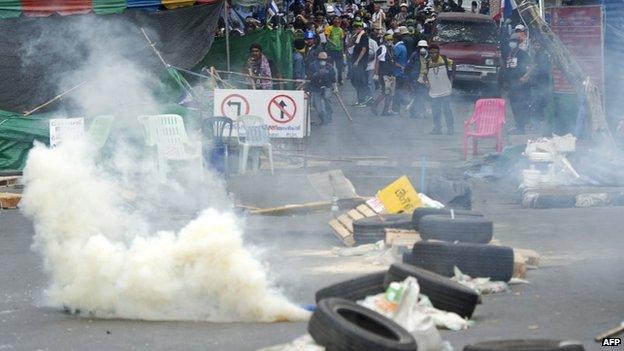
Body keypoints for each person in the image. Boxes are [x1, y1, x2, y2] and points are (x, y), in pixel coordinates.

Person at [421, 44, 454, 134]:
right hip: (434, 91)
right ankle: (437, 128)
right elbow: (424, 75)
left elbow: (453, 66)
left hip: (446, 90)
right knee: (436, 111)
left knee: (446, 109)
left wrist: (451, 81)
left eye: (435, 52)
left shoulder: (445, 60)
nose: (433, 54)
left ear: (438, 52)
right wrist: (426, 83)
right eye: (431, 53)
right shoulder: (427, 62)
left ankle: (450, 128)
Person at [503, 33, 531, 134]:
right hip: (511, 84)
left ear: (518, 43)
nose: (512, 43)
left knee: (520, 106)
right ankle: (518, 125)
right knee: (513, 105)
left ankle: (521, 127)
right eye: (511, 41)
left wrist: (525, 76)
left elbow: (530, 66)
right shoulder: (509, 53)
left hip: (520, 84)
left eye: (514, 41)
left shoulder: (522, 54)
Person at [528, 39, 552, 134]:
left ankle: (536, 125)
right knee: (537, 105)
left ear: (541, 46)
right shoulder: (537, 55)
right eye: (535, 45)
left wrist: (528, 74)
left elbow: (536, 68)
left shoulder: (542, 56)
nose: (536, 47)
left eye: (538, 45)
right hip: (537, 84)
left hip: (541, 84)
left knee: (536, 106)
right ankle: (536, 125)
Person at [370, 34, 398, 116]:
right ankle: (374, 105)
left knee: (391, 93)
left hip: (392, 73)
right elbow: (378, 61)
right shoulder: (382, 48)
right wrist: (376, 73)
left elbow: (393, 61)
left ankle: (385, 111)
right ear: (385, 40)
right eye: (388, 40)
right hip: (384, 73)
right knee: (385, 92)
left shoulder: (392, 48)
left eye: (391, 39)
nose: (389, 41)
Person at [310, 51, 337, 125]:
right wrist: (317, 74)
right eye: (321, 59)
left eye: (324, 59)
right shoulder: (313, 66)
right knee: (316, 104)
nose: (323, 61)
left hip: (327, 87)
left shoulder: (330, 67)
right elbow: (310, 77)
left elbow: (333, 78)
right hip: (316, 87)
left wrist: (335, 88)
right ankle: (323, 118)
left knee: (327, 100)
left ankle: (329, 116)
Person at [406, 40, 429, 119]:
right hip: (416, 78)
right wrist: (408, 80)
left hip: (425, 78)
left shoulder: (428, 56)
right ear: (418, 48)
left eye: (424, 47)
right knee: (419, 95)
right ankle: (416, 112)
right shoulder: (414, 55)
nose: (422, 48)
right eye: (420, 47)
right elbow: (408, 67)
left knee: (421, 95)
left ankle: (417, 111)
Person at [350, 21, 370, 106]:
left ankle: (363, 99)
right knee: (354, 80)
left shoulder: (364, 36)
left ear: (362, 28)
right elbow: (349, 44)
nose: (356, 29)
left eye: (358, 27)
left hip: (360, 63)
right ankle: (360, 99)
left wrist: (357, 61)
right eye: (355, 27)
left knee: (359, 81)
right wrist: (353, 37)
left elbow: (364, 49)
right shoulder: (357, 37)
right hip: (355, 62)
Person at [325, 16, 345, 85]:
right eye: (335, 19)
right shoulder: (329, 28)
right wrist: (332, 42)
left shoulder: (340, 30)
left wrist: (342, 50)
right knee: (330, 66)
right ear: (333, 21)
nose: (337, 21)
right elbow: (327, 38)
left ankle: (340, 78)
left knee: (340, 66)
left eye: (338, 19)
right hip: (330, 50)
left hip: (338, 50)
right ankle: (331, 80)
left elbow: (341, 40)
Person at [392, 32, 408, 113]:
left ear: (395, 39)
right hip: (402, 72)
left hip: (397, 72)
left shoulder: (398, 47)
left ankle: (395, 109)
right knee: (399, 91)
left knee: (396, 92)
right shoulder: (403, 47)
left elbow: (392, 59)